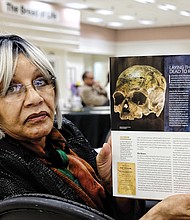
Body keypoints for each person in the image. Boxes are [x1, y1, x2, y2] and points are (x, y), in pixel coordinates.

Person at [0, 34, 190, 220]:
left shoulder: (66, 136)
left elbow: (109, 213)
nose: (35, 98)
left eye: (40, 82)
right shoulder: (5, 174)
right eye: (11, 87)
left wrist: (114, 187)